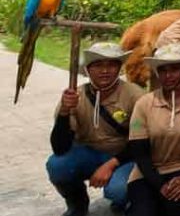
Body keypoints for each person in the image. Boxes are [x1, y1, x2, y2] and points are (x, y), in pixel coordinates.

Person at [47, 42, 145, 216]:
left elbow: (142, 142)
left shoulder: (135, 95)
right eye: (98, 65)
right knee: (57, 165)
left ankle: (125, 201)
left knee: (118, 191)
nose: (105, 71)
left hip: (124, 156)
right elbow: (59, 147)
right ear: (88, 69)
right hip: (88, 153)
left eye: (111, 65)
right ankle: (77, 203)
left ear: (119, 68)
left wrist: (110, 165)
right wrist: (64, 112)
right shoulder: (74, 96)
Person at [127, 43, 180, 216]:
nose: (168, 76)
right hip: (149, 173)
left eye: (175, 69)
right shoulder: (144, 104)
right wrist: (160, 184)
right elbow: (139, 152)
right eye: (163, 70)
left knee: (176, 210)